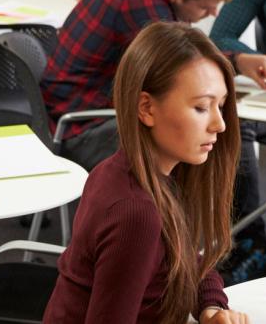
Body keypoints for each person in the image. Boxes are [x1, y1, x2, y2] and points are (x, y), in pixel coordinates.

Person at [42, 0, 266, 284]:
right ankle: (243, 247)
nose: (212, 14)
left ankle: (210, 255)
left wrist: (237, 61)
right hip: (82, 124)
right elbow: (179, 61)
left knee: (212, 132)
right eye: (205, 8)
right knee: (216, 138)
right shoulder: (139, 1)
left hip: (92, 108)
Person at [43, 22, 249, 324]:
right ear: (147, 108)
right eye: (202, 107)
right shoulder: (135, 212)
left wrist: (211, 307)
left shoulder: (130, 171)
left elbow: (187, 258)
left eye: (221, 105)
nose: (220, 124)